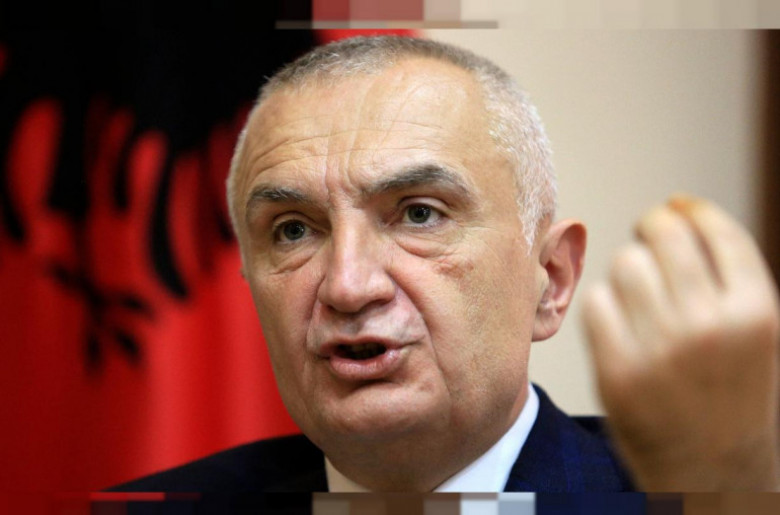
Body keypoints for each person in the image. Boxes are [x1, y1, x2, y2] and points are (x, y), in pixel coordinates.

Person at [115, 35, 780, 492]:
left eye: (419, 214)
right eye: (293, 230)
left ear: (550, 280)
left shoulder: (698, 491)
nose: (348, 285)